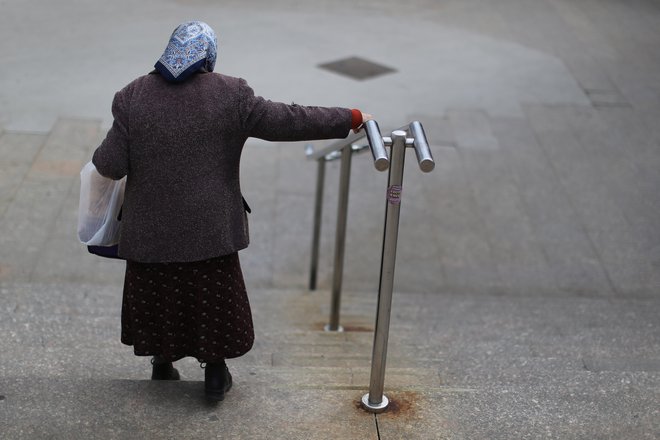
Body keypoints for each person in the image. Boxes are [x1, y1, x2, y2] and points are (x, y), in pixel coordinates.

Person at [92, 21, 372, 401]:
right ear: (208, 55)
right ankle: (215, 373)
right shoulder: (231, 94)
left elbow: (108, 165)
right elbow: (288, 120)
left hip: (151, 234)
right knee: (209, 301)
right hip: (211, 232)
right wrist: (350, 118)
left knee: (161, 295)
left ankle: (161, 362)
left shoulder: (132, 96)